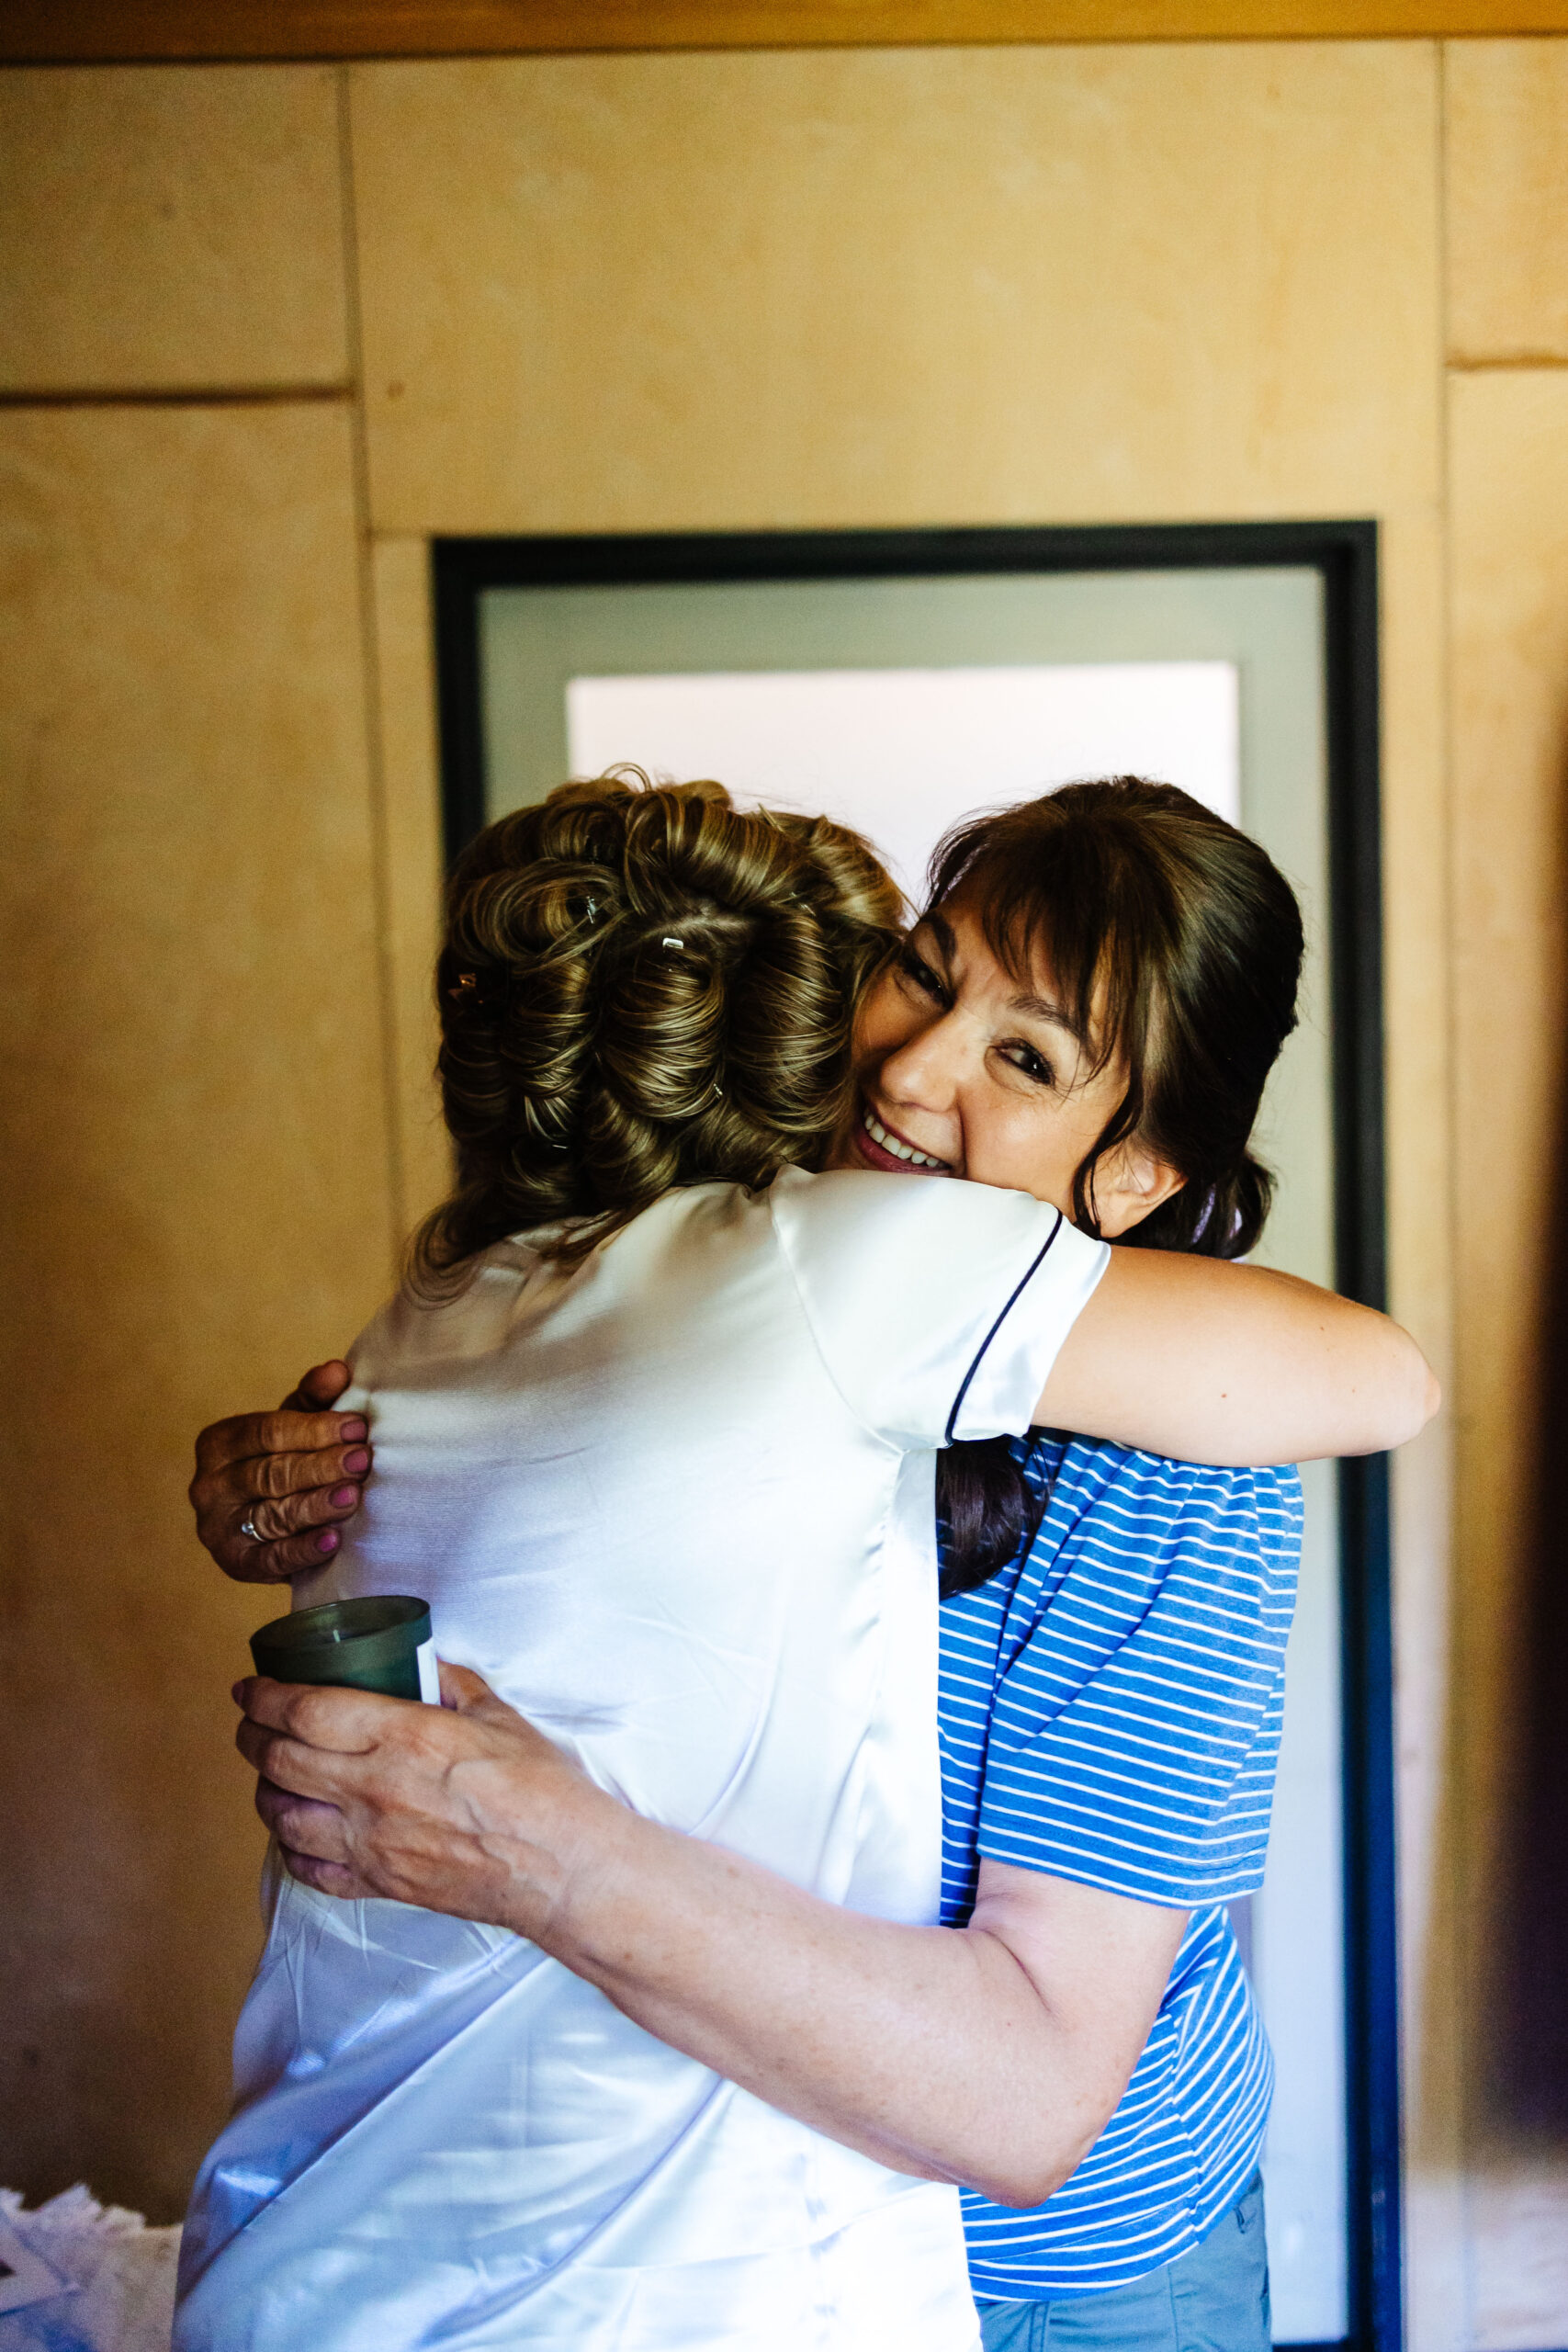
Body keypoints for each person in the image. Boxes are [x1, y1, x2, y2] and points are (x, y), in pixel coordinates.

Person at [185, 777, 1436, 2352]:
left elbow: (1032, 2095)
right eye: (925, 970)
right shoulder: (758, 1248)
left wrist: (521, 1836)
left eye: (1027, 1057)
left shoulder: (1174, 1465)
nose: (912, 1070)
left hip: (1046, 2275)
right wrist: (295, 1480)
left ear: (1135, 1176)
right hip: (762, 2215)